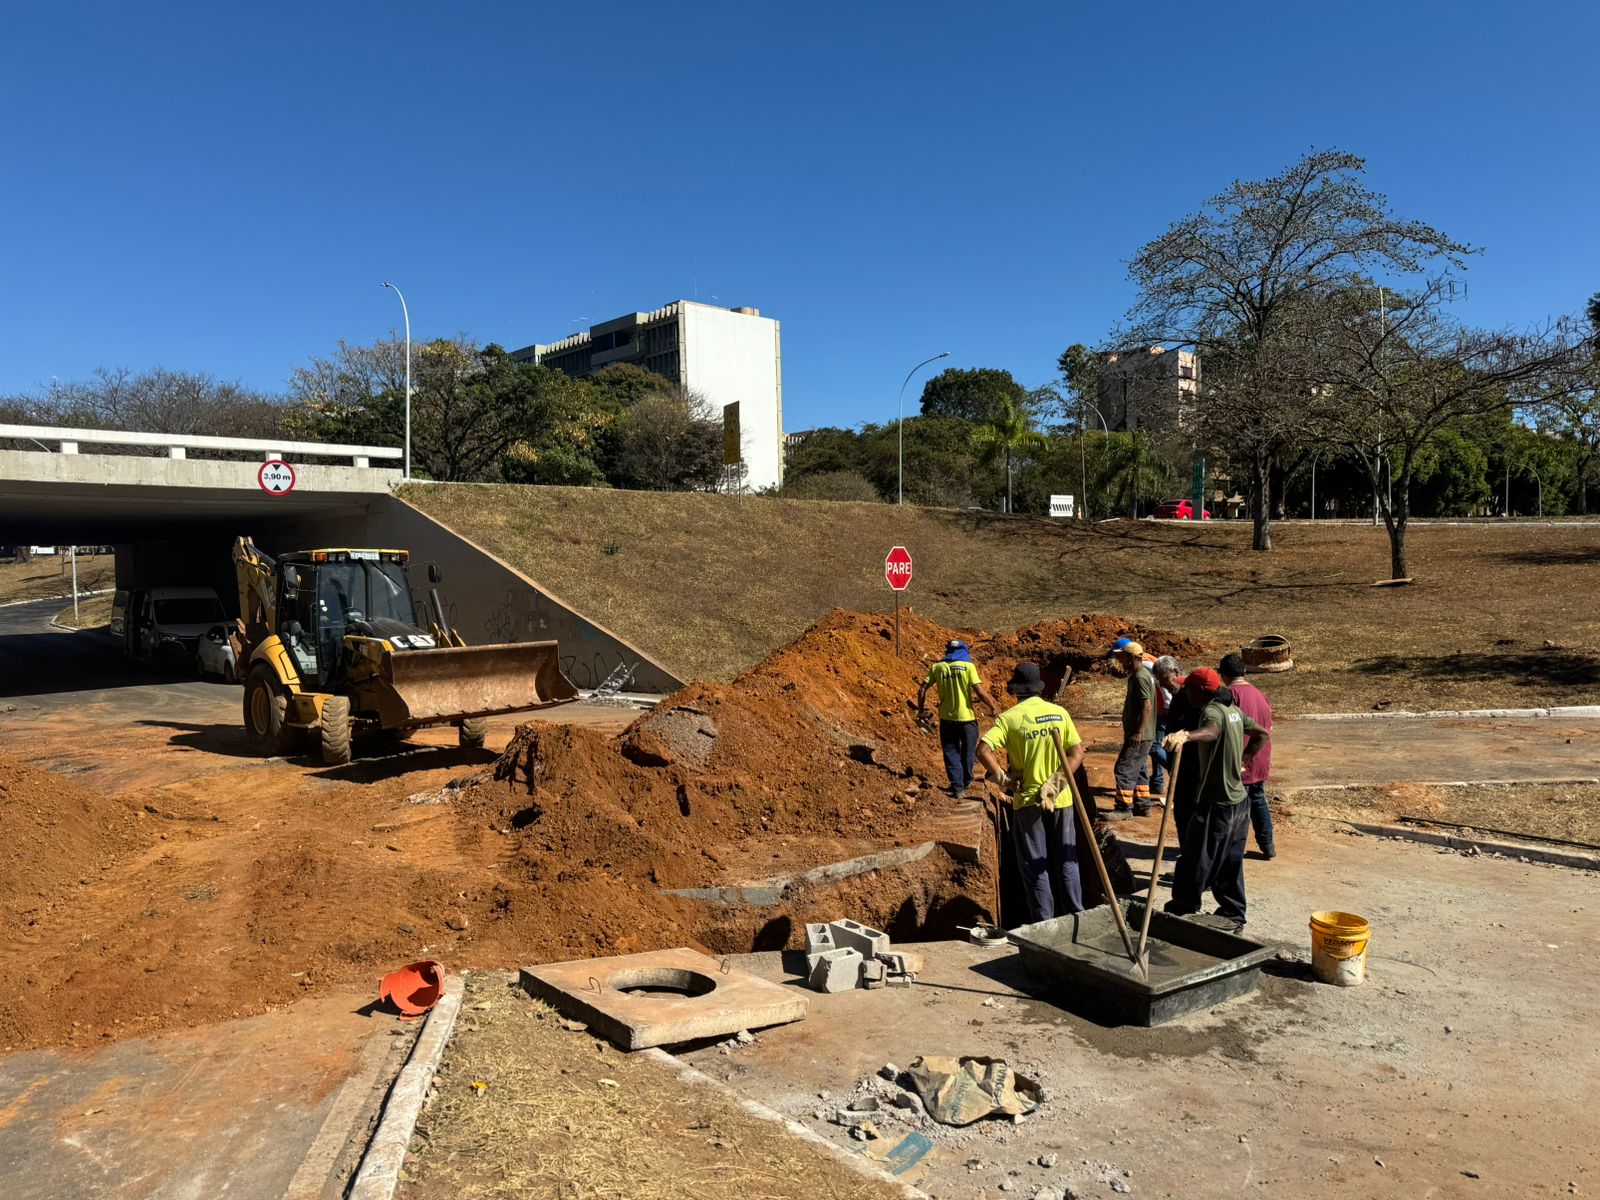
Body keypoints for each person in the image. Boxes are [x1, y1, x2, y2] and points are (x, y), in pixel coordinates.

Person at [976, 662, 1086, 921]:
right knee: (1067, 860)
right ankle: (1078, 916)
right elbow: (1076, 753)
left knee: (1035, 864)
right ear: (1039, 688)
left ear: (1016, 689)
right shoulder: (1059, 713)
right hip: (1061, 799)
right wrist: (1056, 784)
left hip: (1028, 802)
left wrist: (1004, 779)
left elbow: (982, 750)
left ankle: (1044, 924)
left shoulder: (1009, 718)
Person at [1161, 667, 1269, 931]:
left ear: (1200, 691)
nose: (1185, 692)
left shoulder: (1211, 711)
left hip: (1216, 803)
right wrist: (1243, 760)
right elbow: (1262, 733)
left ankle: (1181, 910)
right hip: (1239, 803)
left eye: (1188, 688)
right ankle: (1233, 914)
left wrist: (1187, 735)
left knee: (1194, 859)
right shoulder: (1233, 711)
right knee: (1230, 862)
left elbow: (1211, 731)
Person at [916, 639, 999, 797]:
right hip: (967, 719)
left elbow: (921, 690)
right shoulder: (968, 667)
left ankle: (957, 787)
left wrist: (921, 710)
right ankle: (967, 780)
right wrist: (992, 706)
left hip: (946, 719)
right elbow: (980, 692)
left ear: (948, 651)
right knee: (968, 752)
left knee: (951, 752)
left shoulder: (937, 667)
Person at [1219, 653, 1276, 858]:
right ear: (1243, 671)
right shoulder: (1259, 694)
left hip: (1240, 760)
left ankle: (1232, 848)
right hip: (1260, 758)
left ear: (1223, 674)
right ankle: (1267, 845)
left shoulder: (1230, 696)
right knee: (1258, 799)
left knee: (1235, 807)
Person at [1110, 639, 1159, 817]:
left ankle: (1123, 808)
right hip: (1144, 734)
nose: (1120, 661)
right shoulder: (1141, 674)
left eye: (1122, 657)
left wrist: (1138, 732)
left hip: (1140, 735)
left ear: (1131, 658)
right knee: (1139, 768)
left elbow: (1147, 706)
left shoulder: (1140, 677)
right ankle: (1143, 805)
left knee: (1123, 769)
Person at [1145, 655, 1184, 798]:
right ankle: (1159, 780)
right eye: (1159, 681)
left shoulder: (1188, 694)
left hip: (1190, 766)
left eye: (1164, 679)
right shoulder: (1177, 696)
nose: (1161, 685)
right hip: (1163, 713)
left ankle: (1177, 772)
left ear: (1176, 672)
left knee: (1155, 746)